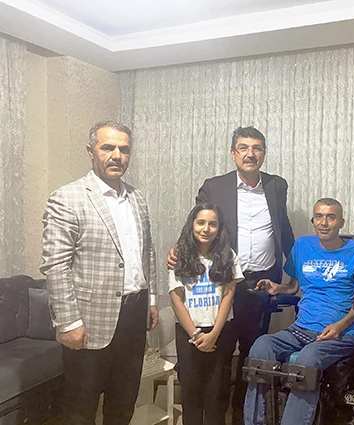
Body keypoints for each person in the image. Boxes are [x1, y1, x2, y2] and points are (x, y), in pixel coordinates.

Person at [168, 126, 295, 425]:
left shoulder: (276, 186)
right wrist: (178, 249)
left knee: (253, 356)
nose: (250, 154)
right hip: (221, 283)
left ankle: (243, 417)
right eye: (244, 148)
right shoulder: (214, 186)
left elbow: (284, 230)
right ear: (233, 153)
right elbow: (198, 222)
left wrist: (295, 274)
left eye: (257, 148)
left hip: (260, 284)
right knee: (219, 356)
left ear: (264, 153)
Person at [40, 121, 159, 425]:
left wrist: (152, 300)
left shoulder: (137, 198)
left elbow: (147, 252)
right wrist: (68, 322)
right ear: (91, 151)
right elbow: (56, 265)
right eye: (108, 147)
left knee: (123, 404)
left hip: (134, 317)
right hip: (88, 322)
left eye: (124, 149)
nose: (117, 155)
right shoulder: (67, 198)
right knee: (80, 410)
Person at [244, 198, 354, 425]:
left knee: (308, 357)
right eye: (318, 217)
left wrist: (340, 326)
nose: (324, 222)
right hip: (301, 328)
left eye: (331, 217)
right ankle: (255, 422)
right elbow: (293, 287)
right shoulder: (302, 245)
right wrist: (277, 288)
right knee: (261, 347)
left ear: (341, 222)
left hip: (340, 334)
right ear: (313, 220)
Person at [169, 203, 244, 425]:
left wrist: (214, 334)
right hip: (188, 333)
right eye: (201, 222)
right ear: (192, 224)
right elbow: (176, 299)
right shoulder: (179, 256)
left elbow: (228, 296)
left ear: (219, 229)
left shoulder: (228, 256)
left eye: (212, 224)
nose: (206, 229)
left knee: (217, 394)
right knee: (191, 394)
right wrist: (195, 334)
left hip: (220, 331)